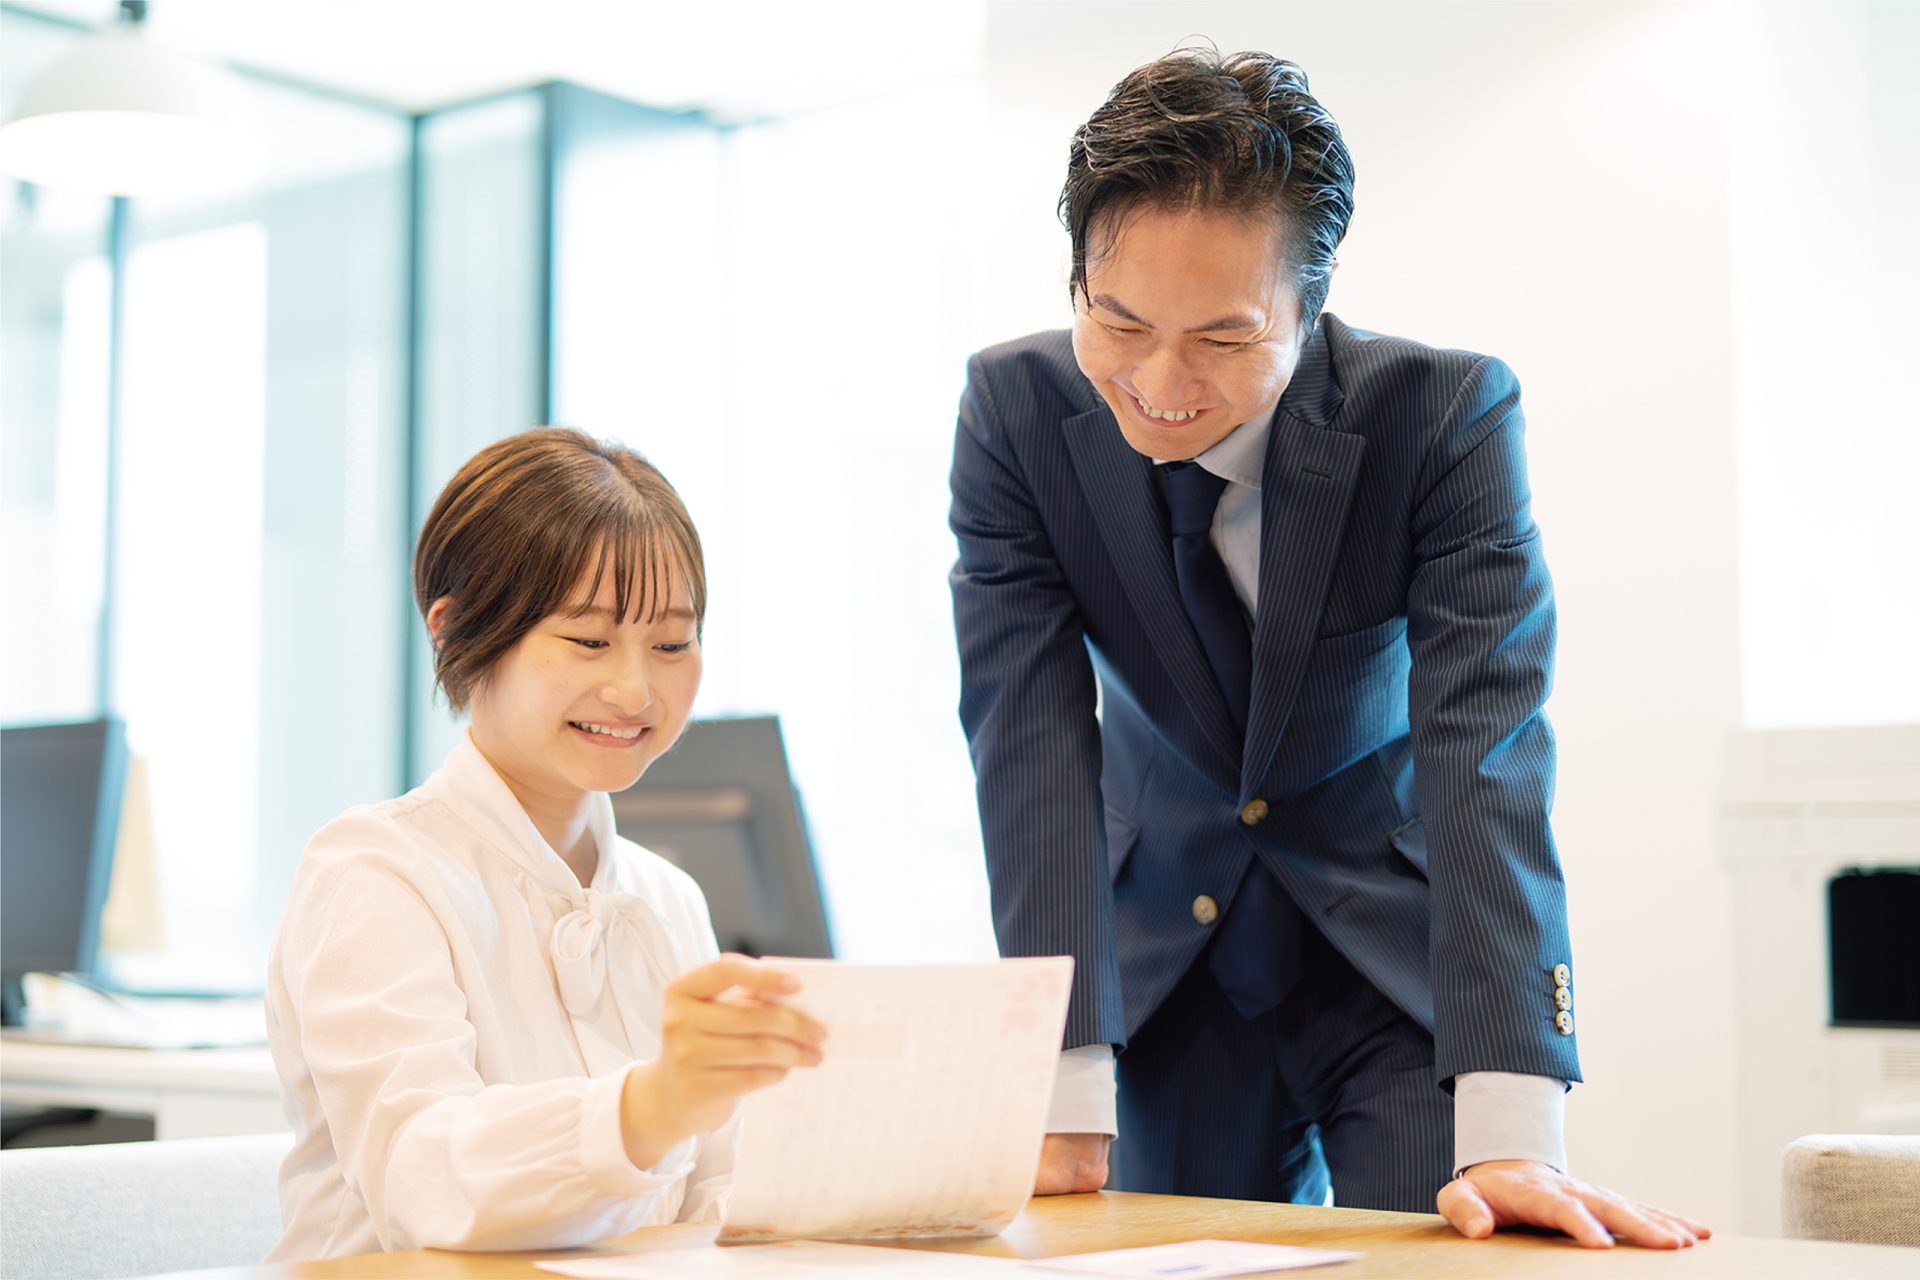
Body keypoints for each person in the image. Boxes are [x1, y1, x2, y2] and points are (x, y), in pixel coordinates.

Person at [948, 48, 1709, 1248]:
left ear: (1312, 303)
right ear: (1077, 277)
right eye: (1120, 320)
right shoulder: (1014, 416)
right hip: (1162, 958)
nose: (1158, 382)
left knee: (1447, 1248)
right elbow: (1030, 744)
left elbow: (1485, 742)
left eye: (1222, 337)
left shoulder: (1443, 419)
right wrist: (1058, 1075)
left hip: (1391, 952)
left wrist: (1513, 1117)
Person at [266, 428, 825, 1258]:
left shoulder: (668, 898)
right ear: (456, 632)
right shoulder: (374, 873)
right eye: (588, 640)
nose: (636, 689)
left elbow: (718, 1201)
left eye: (672, 643)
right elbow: (425, 1182)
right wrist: (652, 1107)